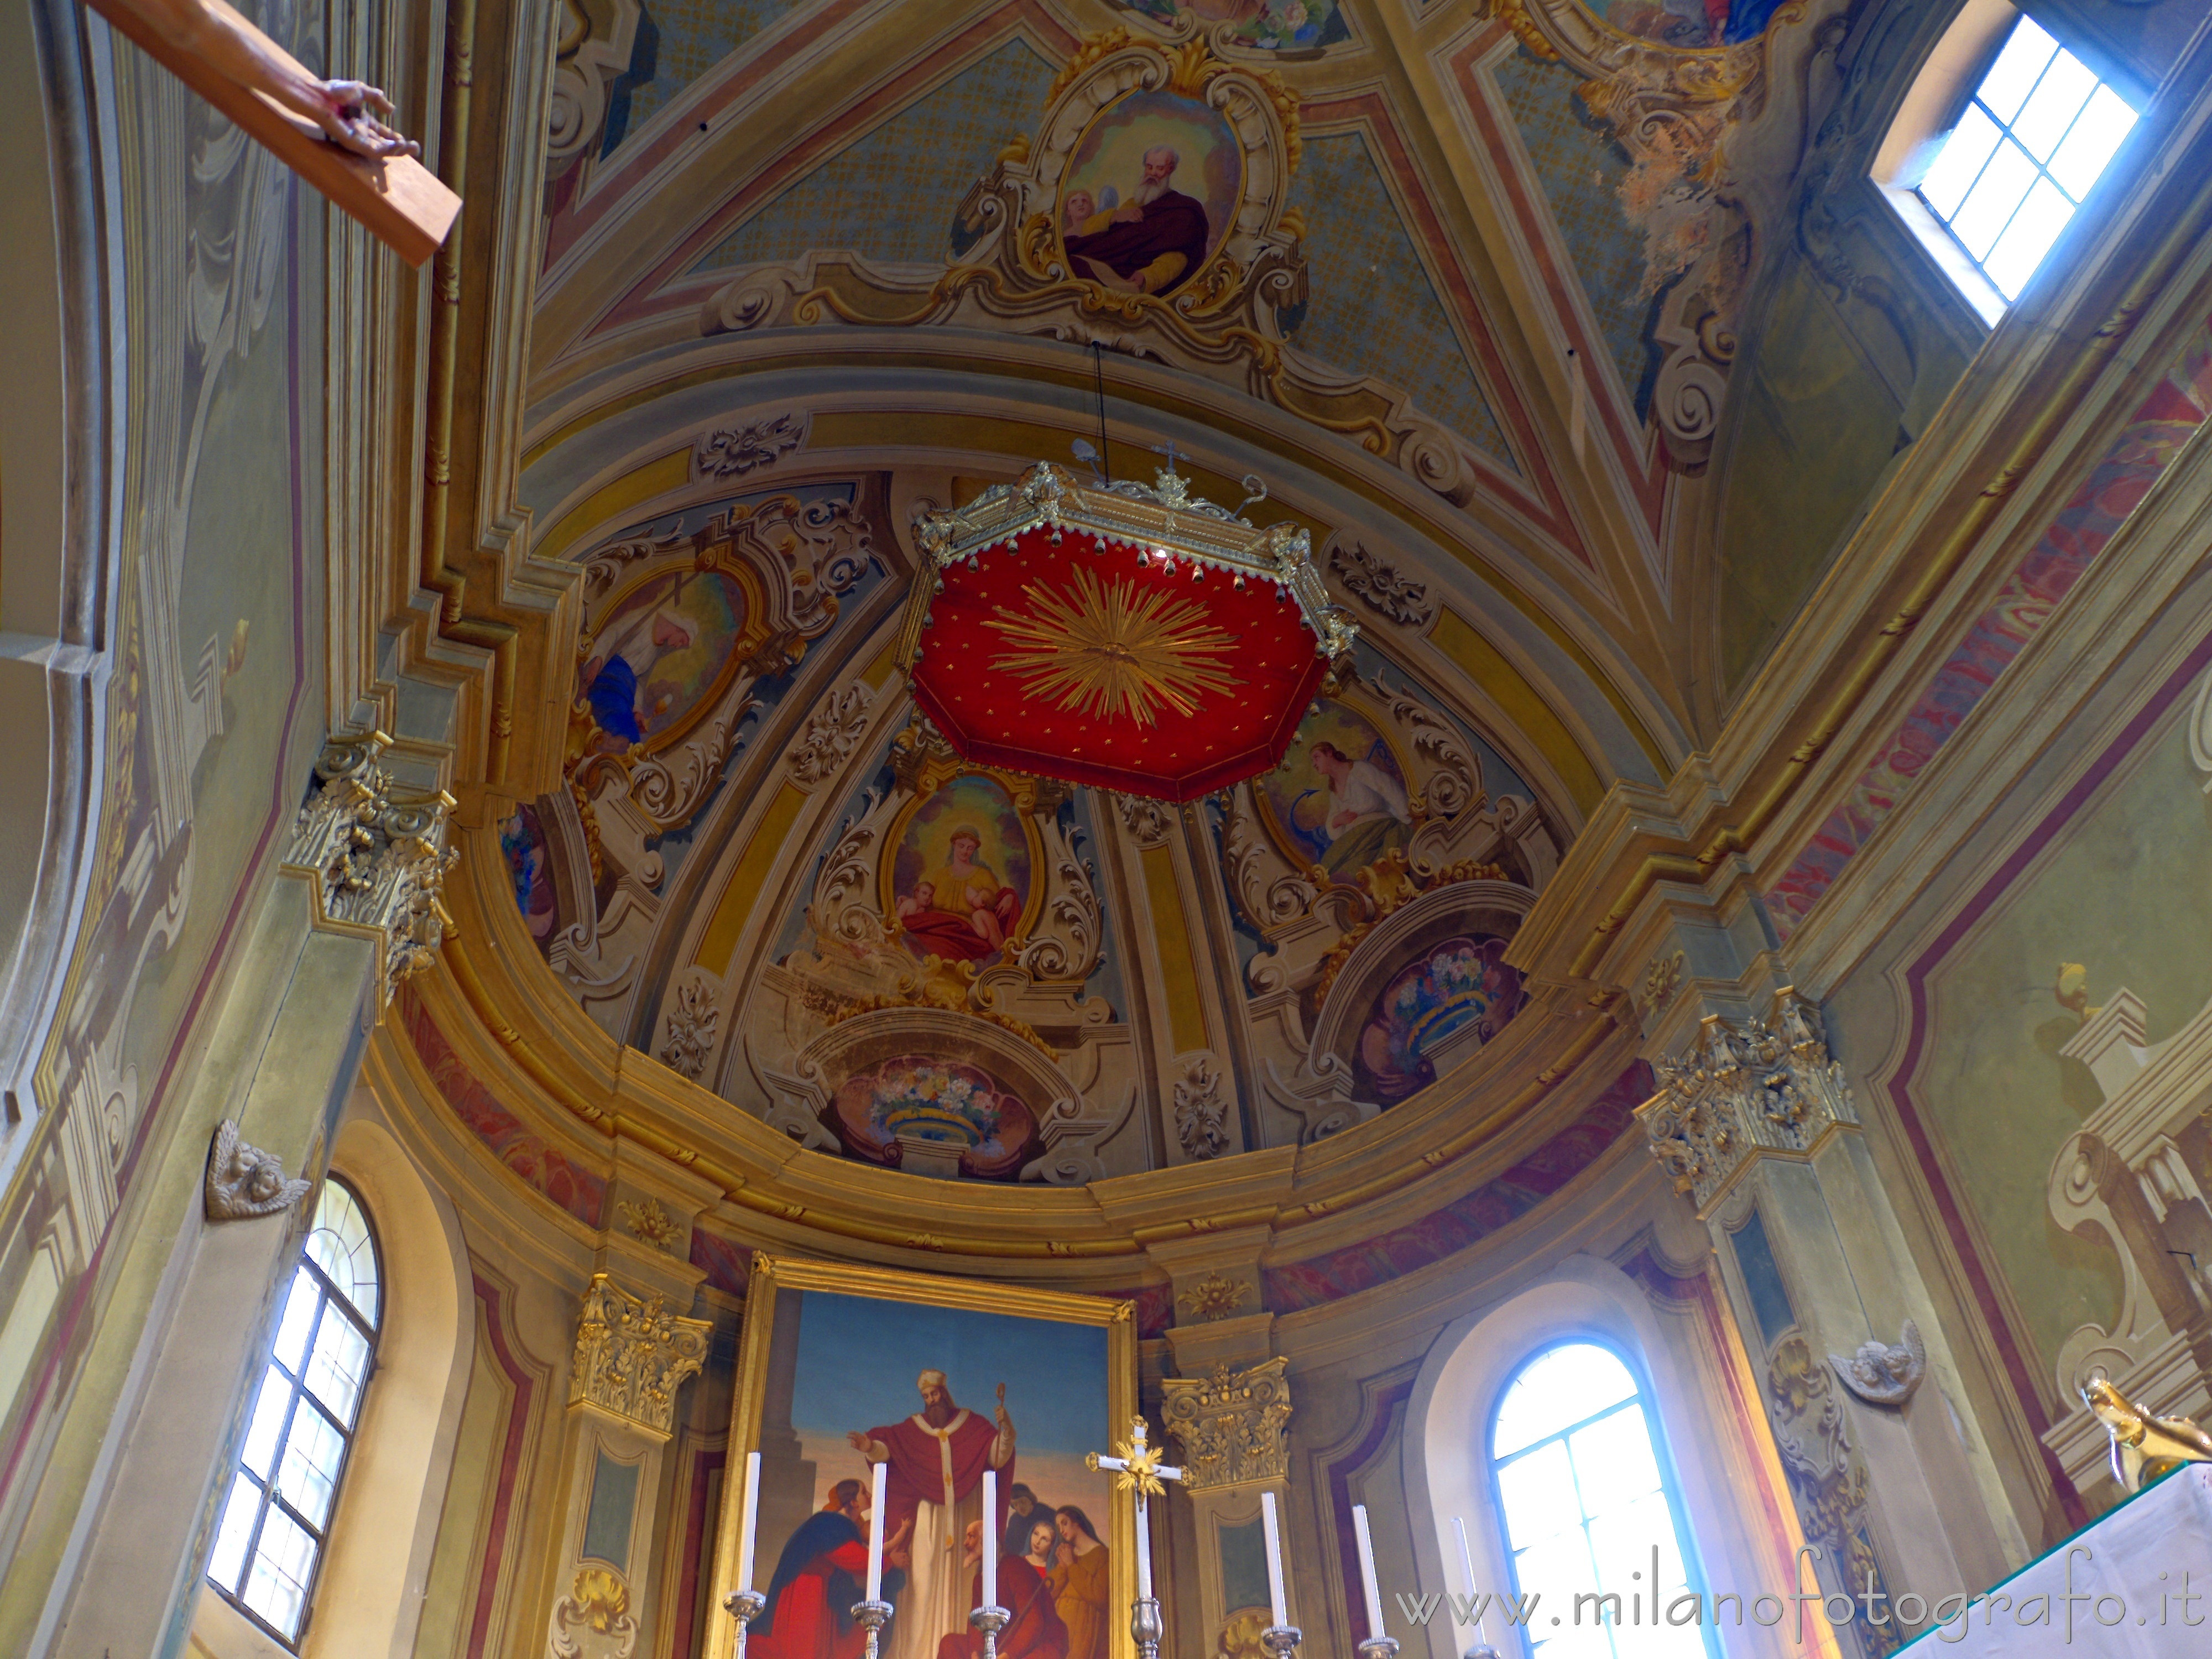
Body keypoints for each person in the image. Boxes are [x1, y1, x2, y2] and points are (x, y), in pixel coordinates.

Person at [850, 1373, 1017, 1659]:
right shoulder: (912, 1430)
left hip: (966, 1518)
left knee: (963, 1590)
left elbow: (997, 1458)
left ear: (944, 1392)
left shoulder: (973, 1425)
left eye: (935, 1395)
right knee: (922, 1589)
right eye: (927, 1397)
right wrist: (869, 1447)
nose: (932, 1402)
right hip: (926, 1523)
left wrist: (1007, 1431)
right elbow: (887, 1451)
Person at [753, 1479, 914, 1659]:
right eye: (864, 1492)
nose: (869, 1495)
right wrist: (890, 1562)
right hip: (806, 1591)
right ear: (853, 1502)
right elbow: (854, 1559)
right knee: (805, 1648)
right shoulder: (831, 1524)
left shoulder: (843, 1524)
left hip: (821, 1590)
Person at [1065, 146, 1211, 296]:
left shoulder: (1184, 211)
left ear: (1170, 169)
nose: (1153, 174)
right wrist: (1114, 216)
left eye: (1160, 169)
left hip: (1130, 275)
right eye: (1149, 167)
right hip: (1107, 262)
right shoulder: (1134, 203)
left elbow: (1178, 257)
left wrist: (1147, 276)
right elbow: (1090, 232)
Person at [578, 578, 698, 750]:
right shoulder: (646, 617)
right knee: (625, 730)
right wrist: (597, 659)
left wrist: (638, 711)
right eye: (681, 641)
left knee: (632, 735)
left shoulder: (657, 652)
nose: (678, 646)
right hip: (609, 680)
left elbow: (639, 681)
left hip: (625, 690)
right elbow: (614, 632)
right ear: (678, 629)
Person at [935, 1519, 1069, 1659]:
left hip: (1040, 1642)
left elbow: (1034, 1621)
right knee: (950, 1644)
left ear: (987, 1542)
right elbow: (976, 1622)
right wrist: (976, 1653)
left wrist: (1007, 1655)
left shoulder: (1015, 1568)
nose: (966, 1543)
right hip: (1002, 1642)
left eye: (972, 1537)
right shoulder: (979, 1580)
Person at [898, 828, 1022, 959]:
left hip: (967, 932)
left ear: (974, 850)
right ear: (954, 845)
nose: (965, 851)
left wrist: (1010, 896)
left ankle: (1004, 960)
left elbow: (994, 901)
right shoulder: (941, 875)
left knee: (985, 915)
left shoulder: (983, 875)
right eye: (961, 846)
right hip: (935, 926)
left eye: (970, 848)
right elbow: (925, 900)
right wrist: (908, 900)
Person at [1307, 740, 1411, 877]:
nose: (1314, 764)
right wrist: (1336, 821)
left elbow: (1388, 788)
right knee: (1328, 865)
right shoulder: (1334, 792)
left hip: (1379, 827)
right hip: (1354, 839)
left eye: (1317, 757)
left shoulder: (1359, 769)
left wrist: (1407, 817)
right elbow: (1335, 830)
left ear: (1329, 753)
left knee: (1358, 867)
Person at [1048, 1506, 1110, 1659]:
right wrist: (1063, 1567)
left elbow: (1099, 1596)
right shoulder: (1067, 1555)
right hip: (1058, 1629)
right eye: (1059, 1527)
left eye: (1065, 1523)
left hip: (1083, 1629)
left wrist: (1071, 1566)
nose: (1062, 1530)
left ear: (1077, 1522)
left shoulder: (1102, 1555)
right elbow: (1047, 1595)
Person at [1000, 1483, 1053, 1565]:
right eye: (1016, 1505)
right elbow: (1008, 1547)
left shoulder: (1046, 1513)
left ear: (1030, 1500)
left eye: (1022, 1502)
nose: (1020, 1507)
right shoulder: (1015, 1520)